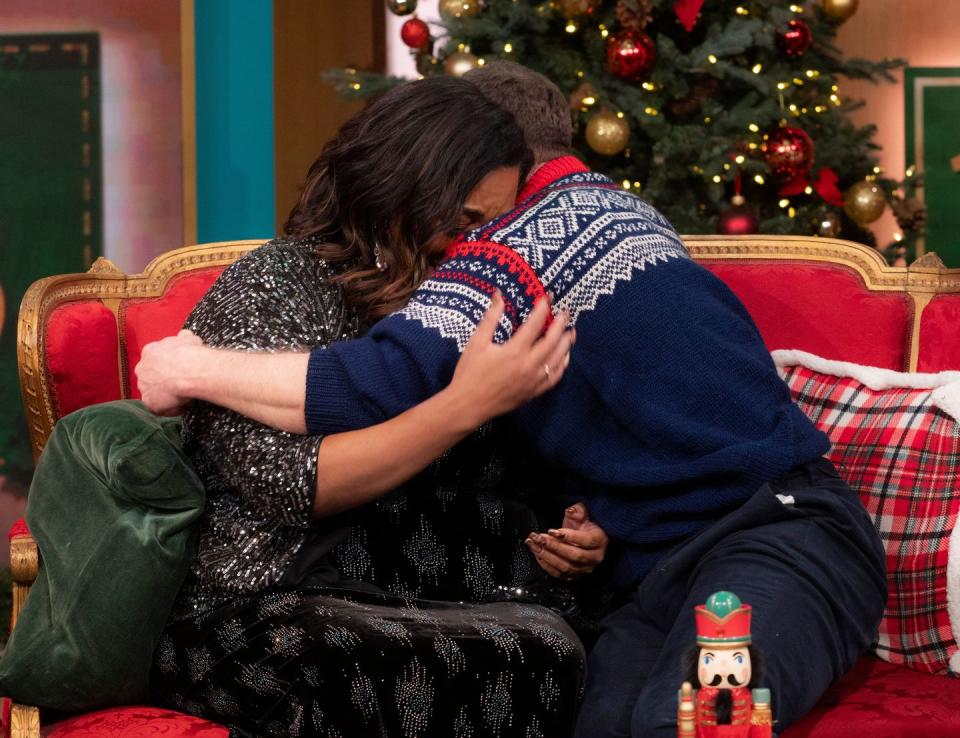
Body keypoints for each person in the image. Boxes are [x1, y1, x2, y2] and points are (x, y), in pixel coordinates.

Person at [137, 63, 886, 738]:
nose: (465, 235)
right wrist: (587, 521)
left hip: (775, 540)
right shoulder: (596, 210)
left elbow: (357, 389)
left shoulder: (524, 241)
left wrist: (189, 369)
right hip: (656, 573)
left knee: (696, 726)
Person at [148, 76, 600, 738]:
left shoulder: (462, 299)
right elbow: (299, 485)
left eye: (493, 226)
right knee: (510, 659)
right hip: (263, 607)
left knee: (567, 640)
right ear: (399, 186)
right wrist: (464, 405)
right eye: (464, 222)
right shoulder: (269, 289)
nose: (470, 245)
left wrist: (575, 530)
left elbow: (517, 470)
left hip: (426, 589)